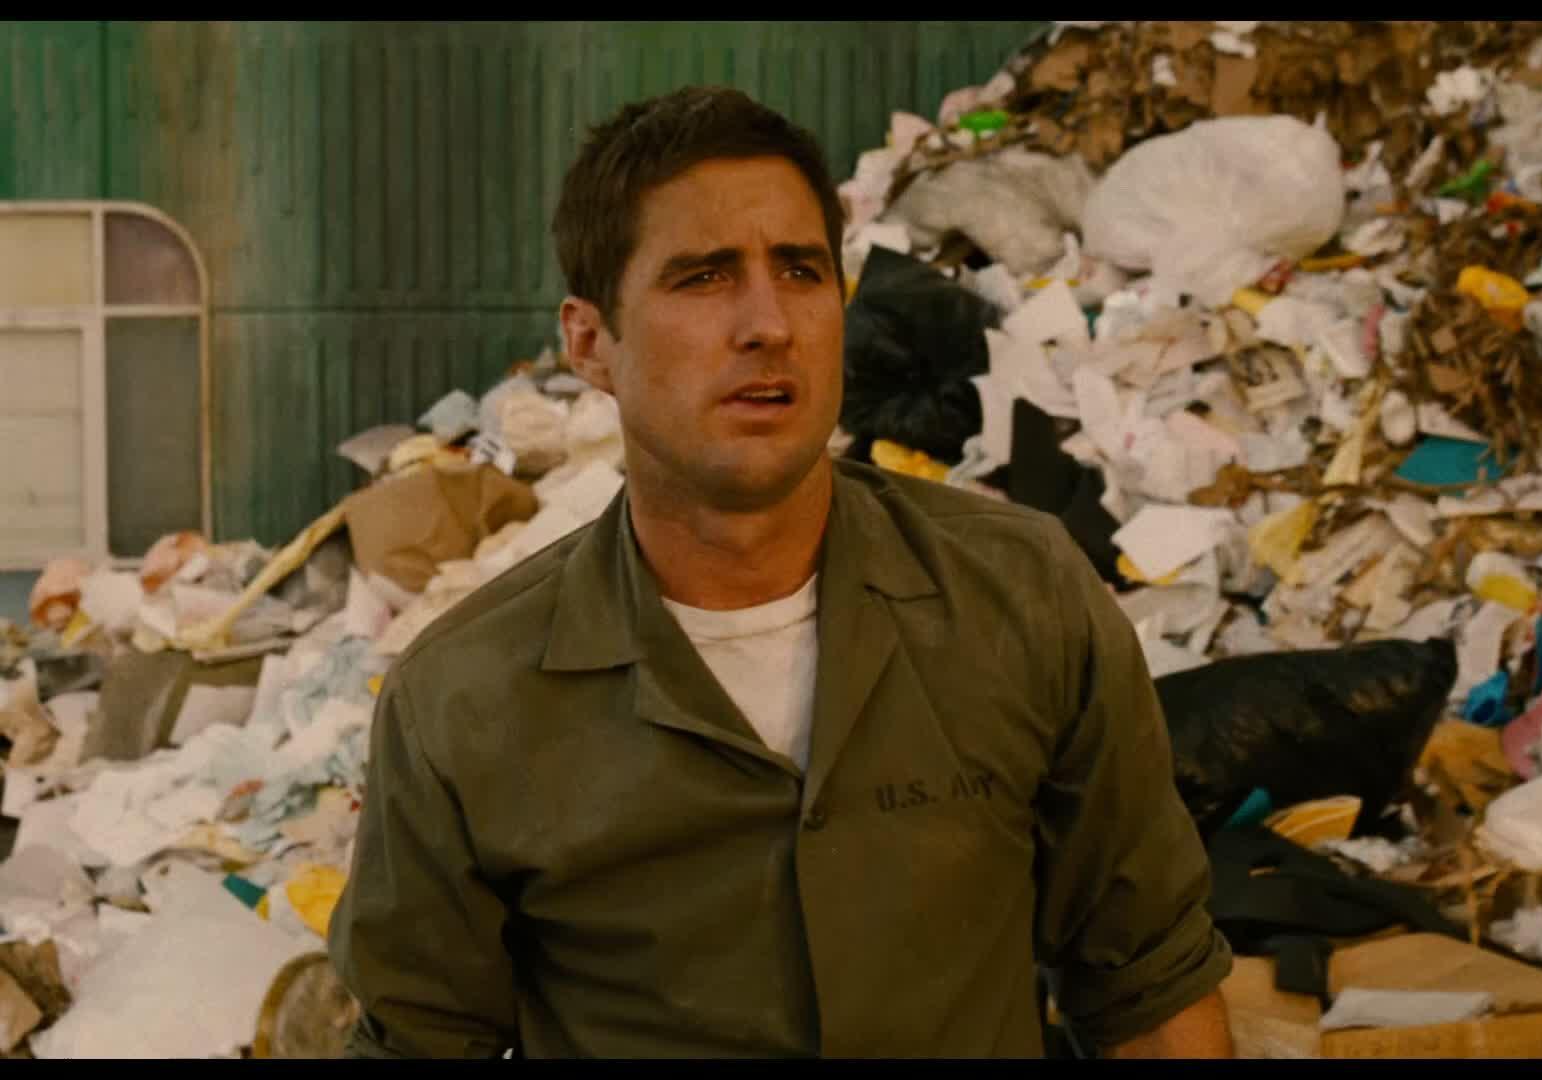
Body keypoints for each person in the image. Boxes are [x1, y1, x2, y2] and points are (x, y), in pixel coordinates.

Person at [327, 85, 1234, 1059]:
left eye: (801, 270)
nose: (768, 323)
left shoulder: (1021, 597)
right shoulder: (468, 702)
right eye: (703, 277)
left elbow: (1149, 984)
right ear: (590, 344)